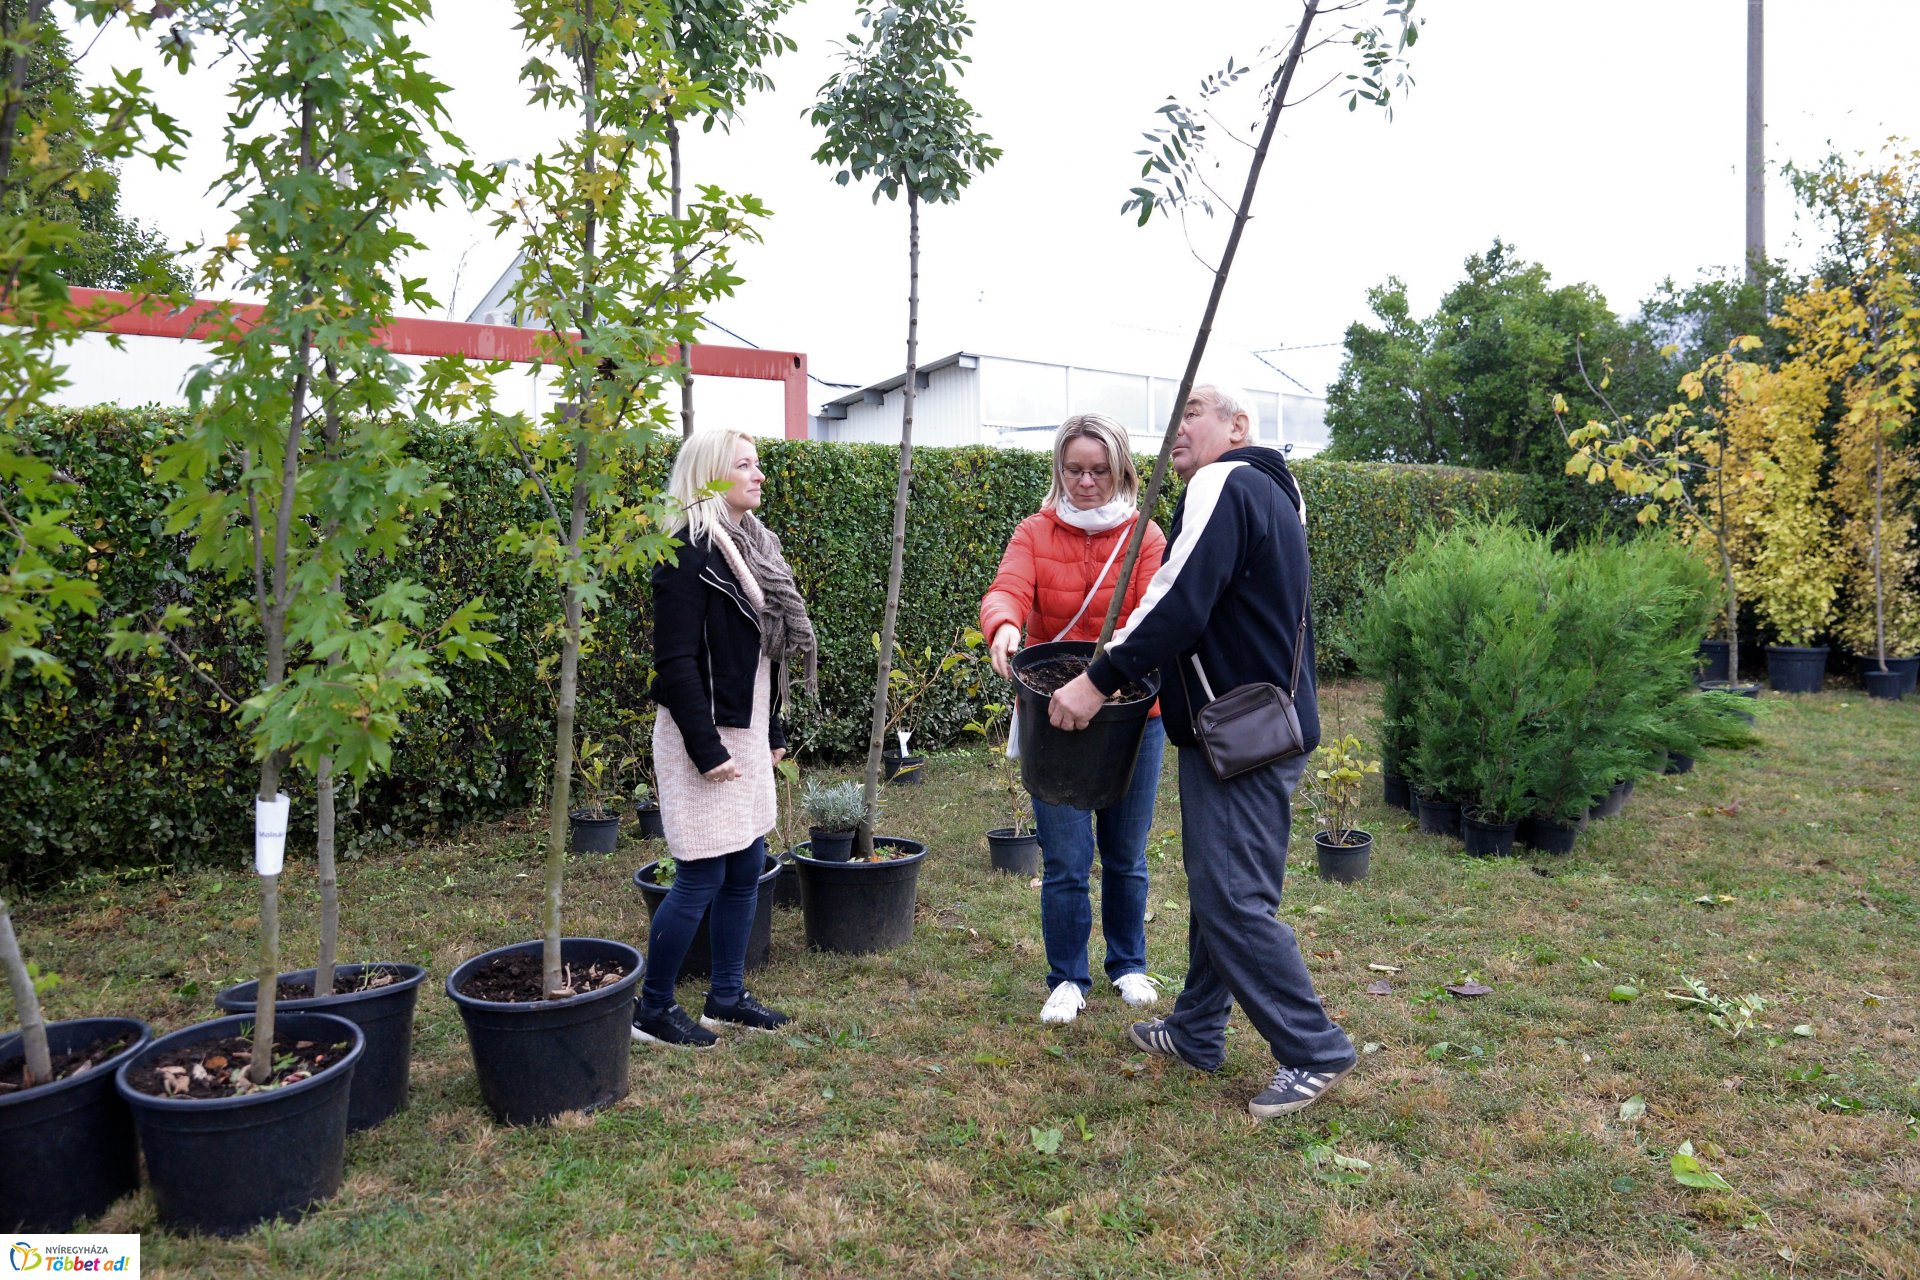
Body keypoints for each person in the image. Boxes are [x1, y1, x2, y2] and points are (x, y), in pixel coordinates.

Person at [1045, 385, 1357, 1119]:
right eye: (1175, 414)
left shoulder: (1226, 481)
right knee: (1224, 887)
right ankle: (1196, 1029)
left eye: (1194, 413)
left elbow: (1175, 599)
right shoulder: (1276, 493)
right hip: (1259, 726)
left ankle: (1312, 1047)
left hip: (1238, 733)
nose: (1177, 427)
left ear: (1238, 427)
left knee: (1232, 898)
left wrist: (1098, 679)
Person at [979, 413, 1169, 1025]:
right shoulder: (1035, 532)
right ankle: (1066, 975)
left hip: (1135, 713)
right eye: (1074, 470)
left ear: (1122, 471)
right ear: (1059, 469)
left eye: (1100, 470)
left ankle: (1128, 963)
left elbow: (1152, 616)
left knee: (1125, 850)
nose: (1086, 482)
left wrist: (1106, 678)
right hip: (1052, 713)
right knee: (1064, 856)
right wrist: (1005, 625)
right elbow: (1009, 588)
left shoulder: (1145, 537)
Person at [637, 428, 818, 1048]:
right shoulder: (685, 550)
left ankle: (726, 996)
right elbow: (676, 662)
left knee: (745, 865)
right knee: (699, 875)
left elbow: (767, 656)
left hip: (746, 729)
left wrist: (775, 729)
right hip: (703, 734)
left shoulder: (753, 545)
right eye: (745, 465)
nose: (759, 476)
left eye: (757, 465)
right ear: (711, 474)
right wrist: (704, 748)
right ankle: (651, 1010)